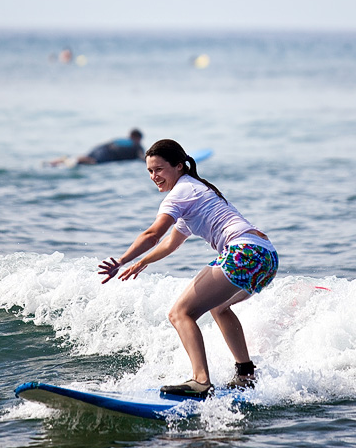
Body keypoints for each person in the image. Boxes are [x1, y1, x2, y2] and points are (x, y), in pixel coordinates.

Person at [98, 139, 278, 399]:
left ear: (179, 166)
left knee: (179, 313)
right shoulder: (197, 190)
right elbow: (171, 242)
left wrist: (121, 260)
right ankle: (246, 374)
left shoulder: (181, 192)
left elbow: (153, 235)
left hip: (244, 253)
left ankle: (201, 381)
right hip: (266, 256)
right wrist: (141, 262)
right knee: (219, 308)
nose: (153, 176)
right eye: (149, 171)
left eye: (159, 169)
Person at [49, 129, 144, 167]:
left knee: (86, 157)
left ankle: (60, 160)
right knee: (93, 161)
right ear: (138, 138)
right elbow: (141, 157)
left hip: (100, 148)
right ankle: (71, 161)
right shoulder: (137, 145)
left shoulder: (122, 140)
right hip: (108, 153)